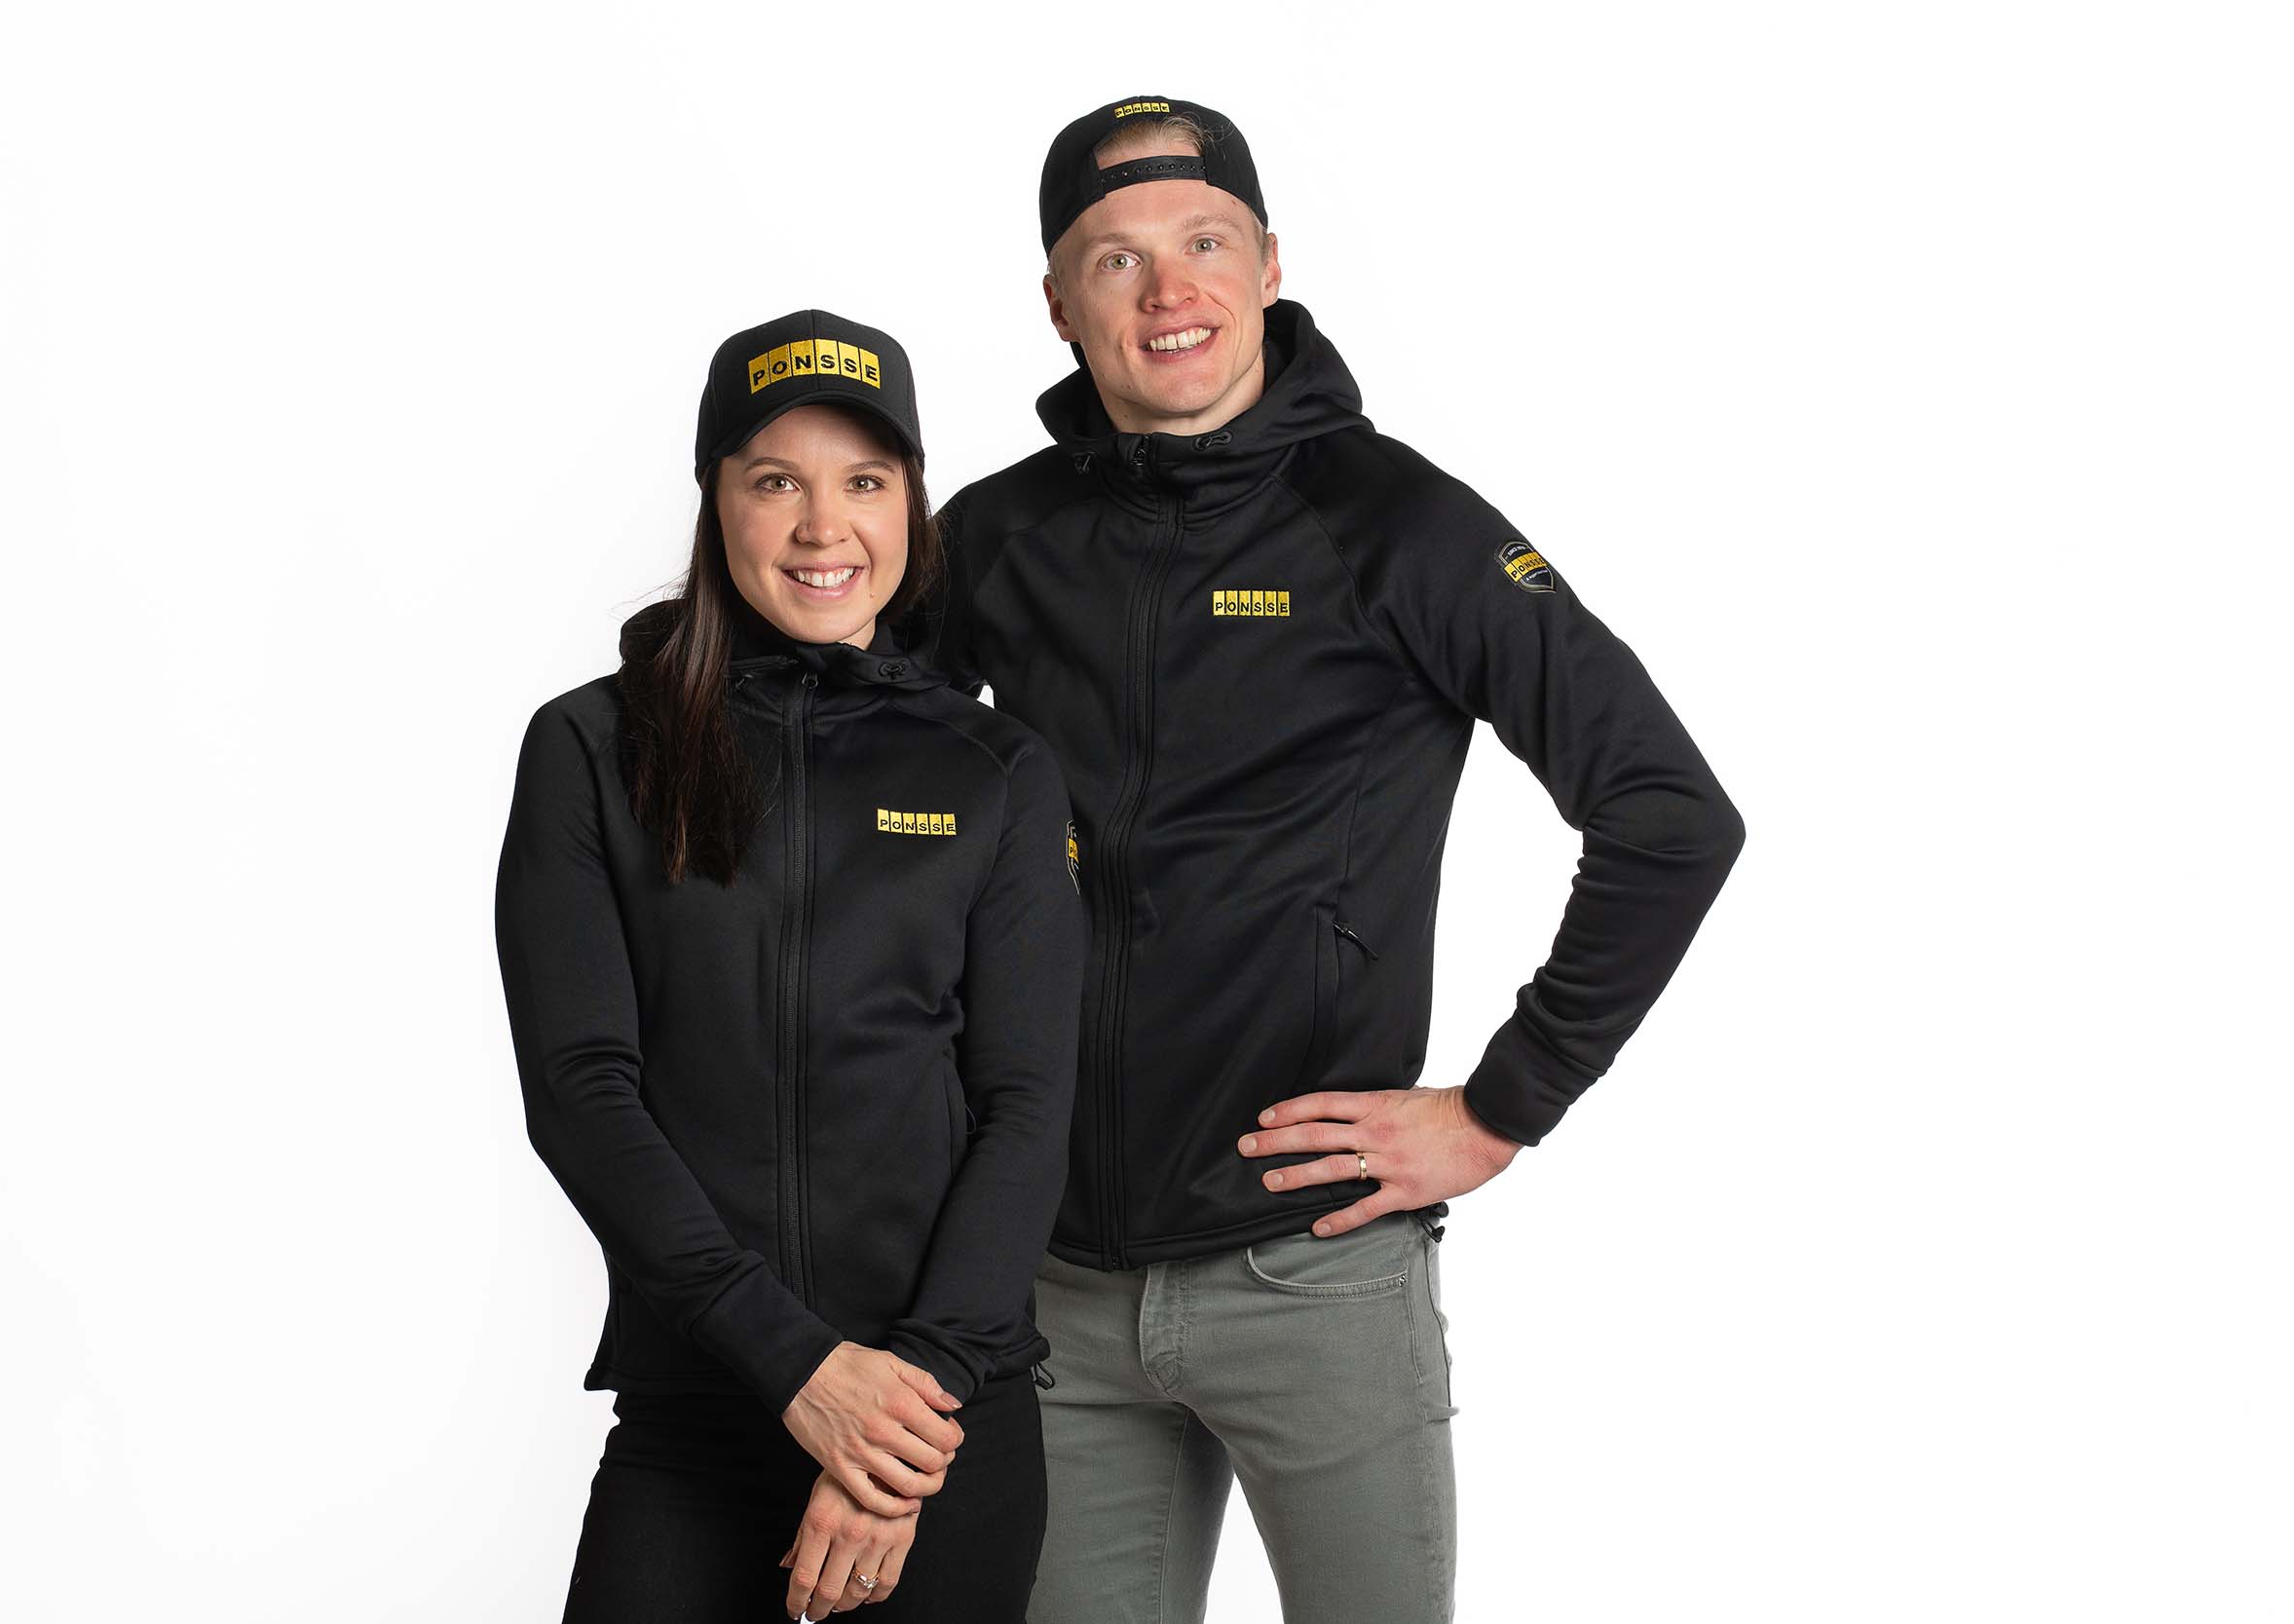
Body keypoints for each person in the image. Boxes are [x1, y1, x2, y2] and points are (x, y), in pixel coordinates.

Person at [931, 97, 1748, 1622]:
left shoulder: (1398, 530)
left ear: (1268, 265)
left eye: (1204, 243)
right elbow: (841, 792)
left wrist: (1504, 1106)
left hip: (1311, 1270)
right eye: (1117, 259)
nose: (1169, 290)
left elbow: (1670, 814)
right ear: (1058, 303)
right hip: (1050, 1296)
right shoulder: (996, 541)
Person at [494, 309, 1084, 1622]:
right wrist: (800, 1369)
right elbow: (582, 1090)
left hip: (941, 1426)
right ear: (717, 502)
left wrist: (902, 1418)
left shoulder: (994, 770)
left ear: (911, 501)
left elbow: (1027, 1102)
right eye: (776, 481)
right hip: (701, 1416)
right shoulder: (593, 750)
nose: (826, 528)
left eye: (865, 482)